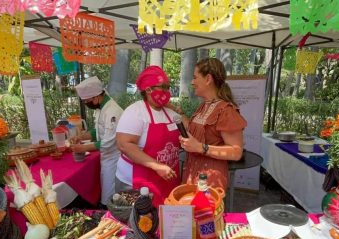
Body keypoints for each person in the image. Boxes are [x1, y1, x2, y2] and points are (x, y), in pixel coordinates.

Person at [174, 58, 247, 190]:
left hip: (209, 181)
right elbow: (193, 129)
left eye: (195, 77)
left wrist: (201, 147)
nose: (192, 82)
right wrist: (177, 111)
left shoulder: (226, 111)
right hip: (192, 174)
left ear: (208, 79)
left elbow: (236, 152)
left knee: (204, 211)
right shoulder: (204, 106)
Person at [115, 66, 181, 206]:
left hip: (167, 180)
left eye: (167, 87)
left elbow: (188, 127)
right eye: (162, 87)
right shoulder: (135, 112)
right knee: (140, 222)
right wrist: (157, 166)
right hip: (137, 183)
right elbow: (124, 145)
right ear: (149, 89)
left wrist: (174, 108)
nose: (166, 91)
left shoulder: (169, 112)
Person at [71, 76, 123, 207]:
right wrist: (82, 137)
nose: (87, 104)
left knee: (110, 196)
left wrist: (83, 148)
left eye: (87, 101)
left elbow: (108, 142)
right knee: (106, 192)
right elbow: (98, 131)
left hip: (114, 158)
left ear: (96, 97)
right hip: (106, 157)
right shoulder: (101, 108)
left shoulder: (112, 111)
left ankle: (111, 216)